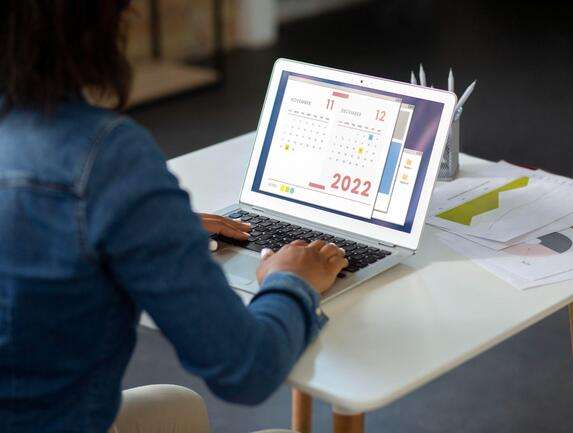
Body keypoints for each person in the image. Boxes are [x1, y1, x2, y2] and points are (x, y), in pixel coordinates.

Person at [0, 1, 347, 432]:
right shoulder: (104, 160)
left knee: (175, 406)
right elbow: (247, 369)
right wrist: (291, 280)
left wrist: (150, 228)